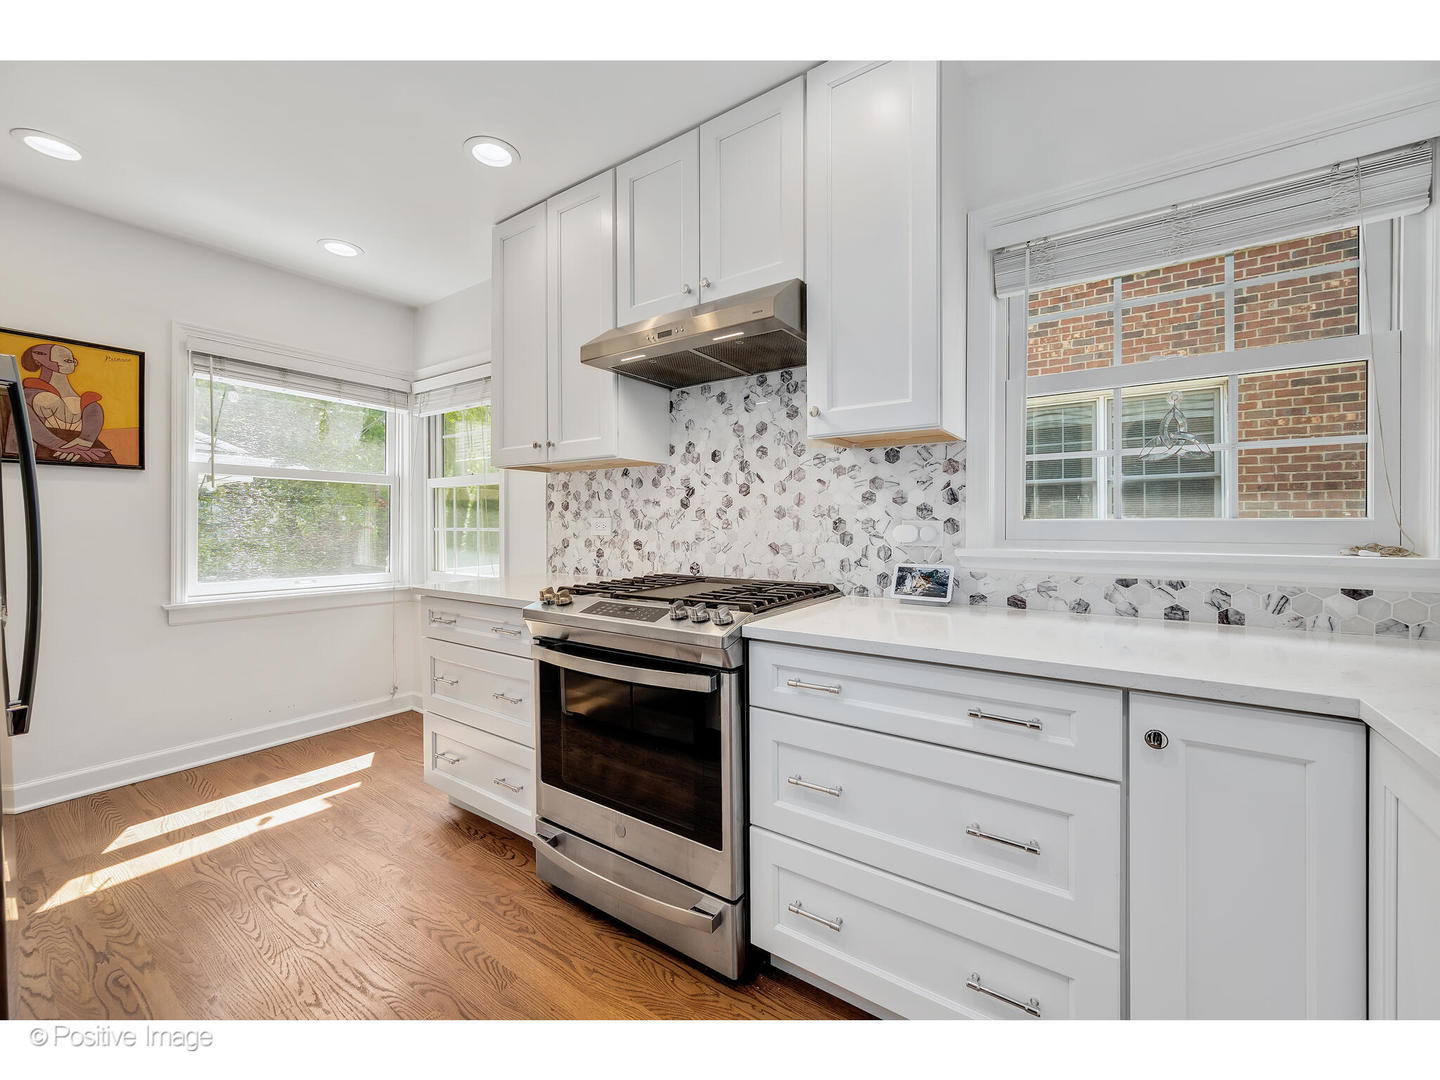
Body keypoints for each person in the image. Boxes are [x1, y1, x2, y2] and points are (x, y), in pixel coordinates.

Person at [15, 342, 116, 464]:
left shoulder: (88, 401)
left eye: (71, 360)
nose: (72, 362)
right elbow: (28, 422)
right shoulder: (31, 393)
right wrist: (60, 445)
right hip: (47, 447)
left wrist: (85, 442)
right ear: (38, 359)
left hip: (86, 446)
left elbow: (92, 419)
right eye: (65, 360)